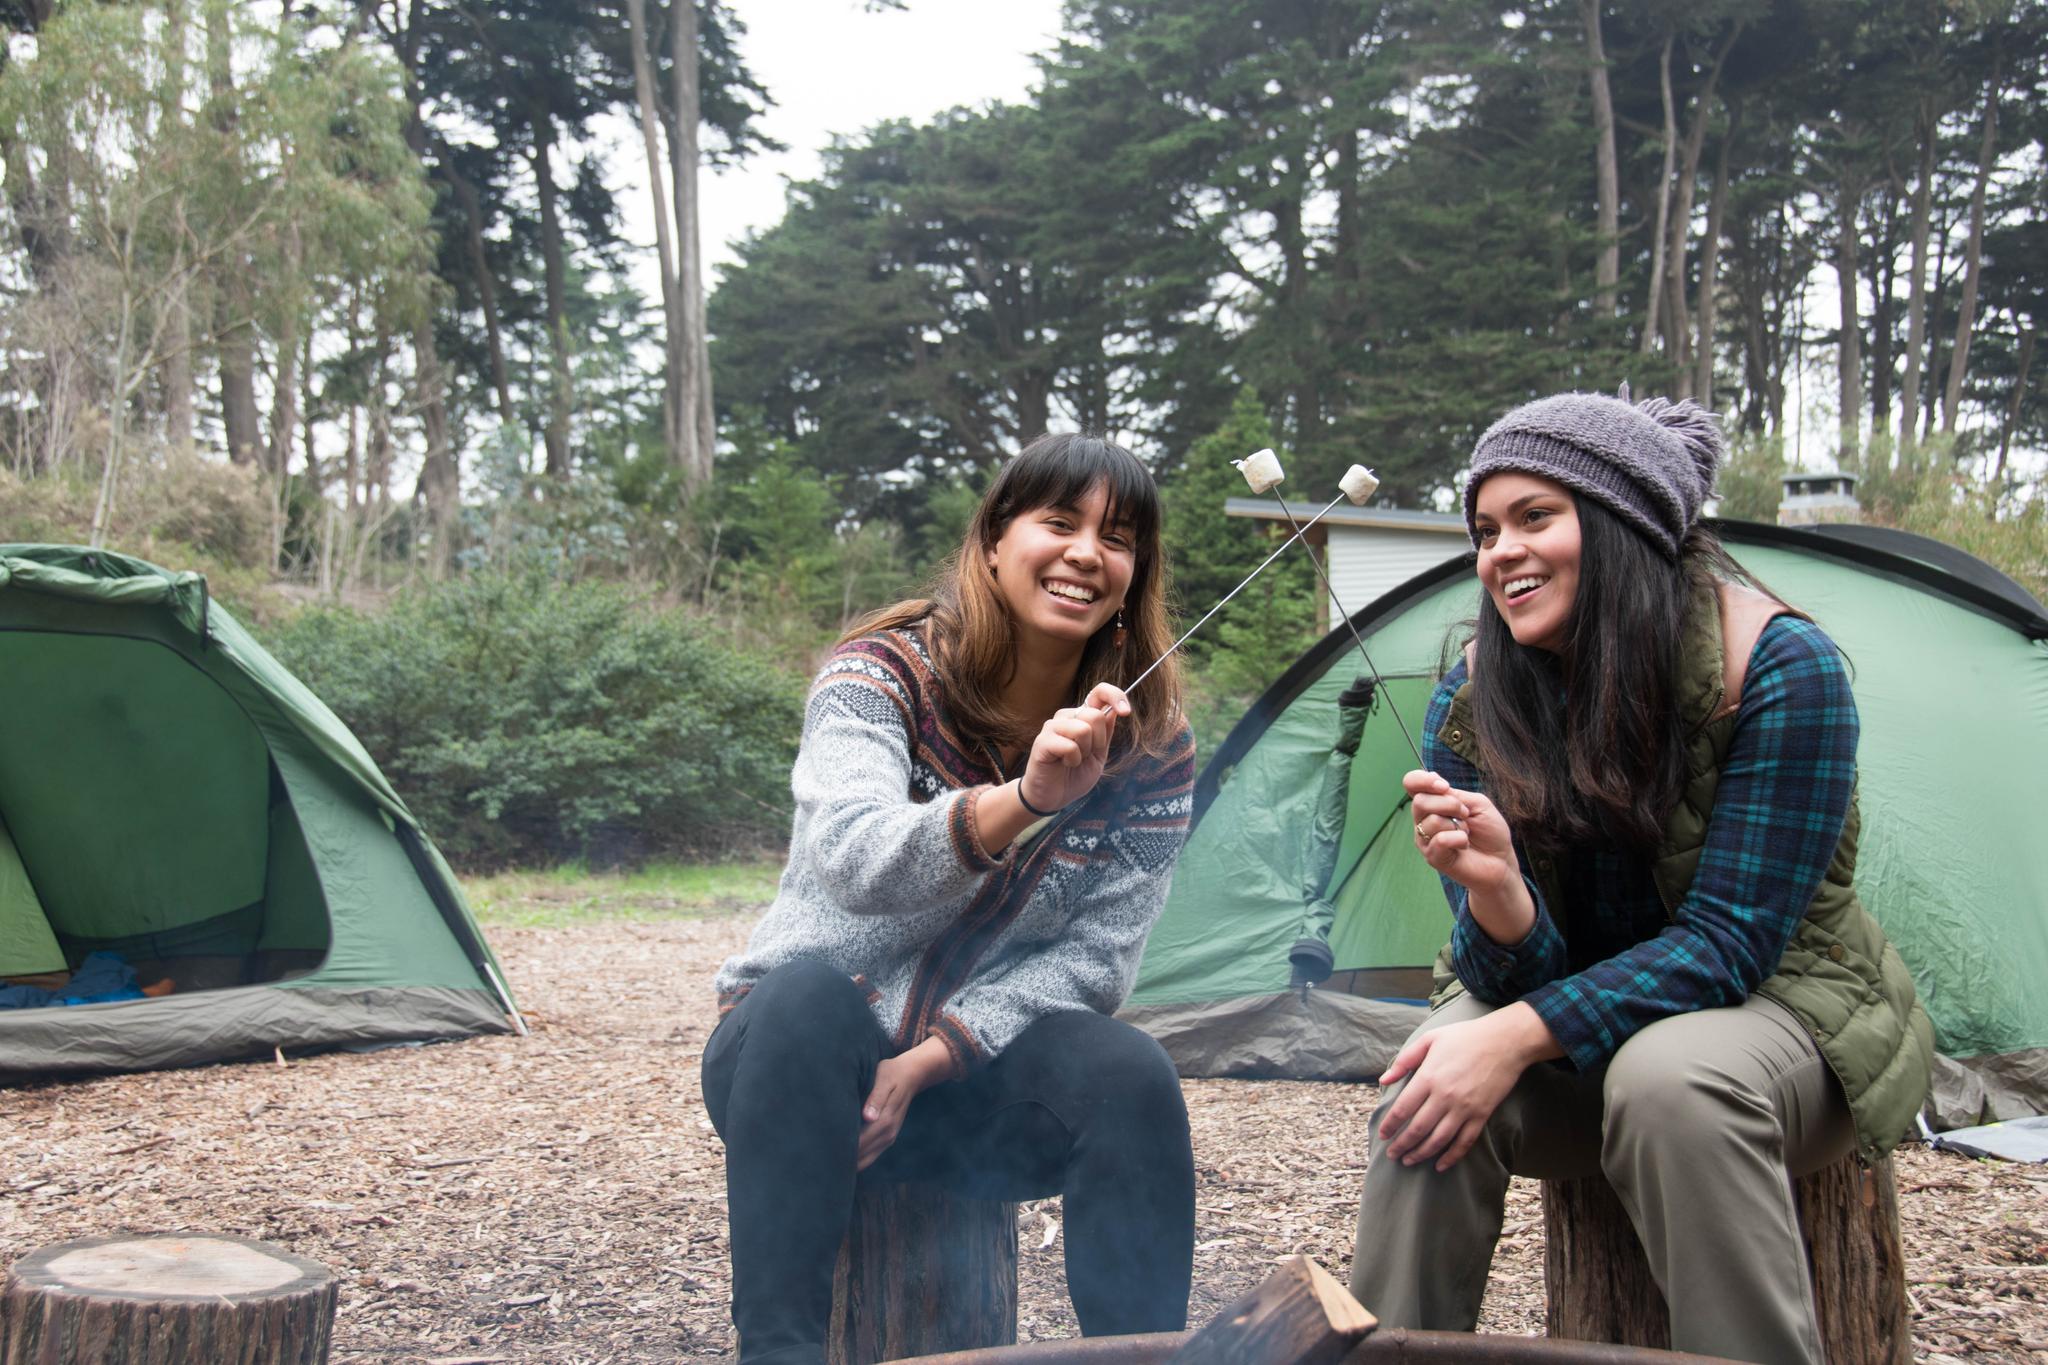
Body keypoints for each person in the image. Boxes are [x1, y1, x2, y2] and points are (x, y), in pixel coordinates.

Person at [1346, 390, 1933, 1364]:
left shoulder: (1778, 669)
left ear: (1622, 522)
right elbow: (1499, 978)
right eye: (1485, 530)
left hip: (1777, 1014)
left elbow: (1727, 949)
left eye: (1535, 517)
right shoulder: (1472, 696)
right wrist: (1496, 894)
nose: (1500, 553)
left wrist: (1514, 1041)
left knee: (1672, 1083)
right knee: (1424, 1088)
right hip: (1573, 1032)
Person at [704, 432, 1198, 1365]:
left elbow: (1098, 956)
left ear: (1136, 573)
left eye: (1118, 536)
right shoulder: (880, 674)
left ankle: (1144, 1357)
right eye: (1060, 522)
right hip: (792, 1071)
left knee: (1132, 1074)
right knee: (808, 995)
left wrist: (932, 1056)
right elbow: (849, 856)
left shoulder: (1151, 744)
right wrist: (1022, 802)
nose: (1087, 552)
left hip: (967, 1089)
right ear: (994, 542)